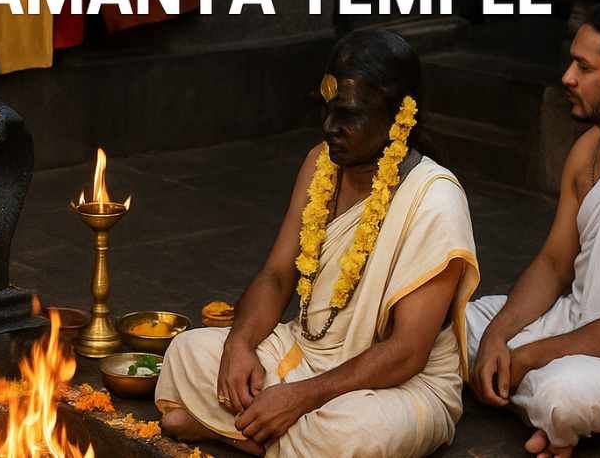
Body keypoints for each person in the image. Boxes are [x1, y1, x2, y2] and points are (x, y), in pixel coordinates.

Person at [156, 30, 480, 457]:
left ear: (401, 115)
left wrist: (302, 397)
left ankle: (228, 431)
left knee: (351, 436)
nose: (330, 127)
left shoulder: (435, 200)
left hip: (397, 387)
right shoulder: (320, 164)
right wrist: (238, 344)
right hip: (304, 353)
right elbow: (275, 277)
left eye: (348, 114)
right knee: (186, 352)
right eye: (326, 110)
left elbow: (407, 351)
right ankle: (271, 436)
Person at [466, 1, 600, 458]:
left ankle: (540, 406)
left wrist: (524, 359)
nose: (567, 77)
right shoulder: (588, 149)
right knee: (463, 324)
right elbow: (555, 263)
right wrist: (499, 338)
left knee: (564, 394)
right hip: (576, 320)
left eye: (584, 66)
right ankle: (545, 417)